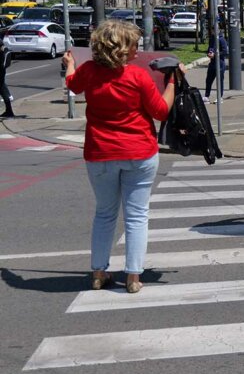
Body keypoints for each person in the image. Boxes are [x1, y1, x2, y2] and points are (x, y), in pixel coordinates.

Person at [63, 20, 184, 294]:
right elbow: (160, 112)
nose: (137, 50)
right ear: (120, 47)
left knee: (104, 214)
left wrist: (69, 62)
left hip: (100, 152)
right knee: (137, 215)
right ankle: (132, 277)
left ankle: (98, 273)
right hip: (139, 152)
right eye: (133, 45)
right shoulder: (136, 76)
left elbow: (72, 84)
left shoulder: (89, 72)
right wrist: (173, 82)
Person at [204, 27, 228, 102]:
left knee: (219, 80)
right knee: (208, 80)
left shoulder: (221, 39)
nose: (213, 31)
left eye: (214, 30)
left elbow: (225, 52)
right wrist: (209, 53)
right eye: (212, 30)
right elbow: (209, 49)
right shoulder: (212, 39)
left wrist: (215, 55)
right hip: (212, 63)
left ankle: (220, 97)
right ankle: (206, 96)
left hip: (220, 63)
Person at [0, 44, 13, 117]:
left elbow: (3, 65)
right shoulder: (4, 51)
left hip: (0, 72)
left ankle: (9, 111)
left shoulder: (4, 52)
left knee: (3, 90)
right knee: (3, 91)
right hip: (1, 72)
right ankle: (9, 111)